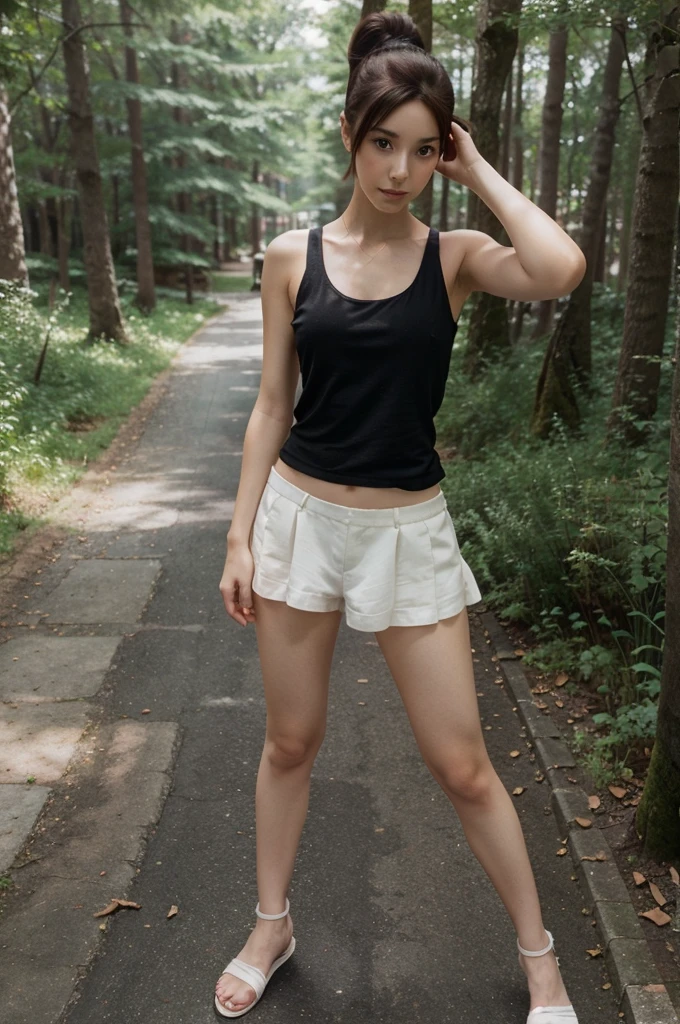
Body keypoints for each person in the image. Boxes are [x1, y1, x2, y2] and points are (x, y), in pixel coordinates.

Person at [215, 10, 586, 1023]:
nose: (400, 167)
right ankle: (270, 921)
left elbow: (558, 269)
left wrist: (477, 173)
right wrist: (242, 533)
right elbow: (269, 406)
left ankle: (540, 959)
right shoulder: (291, 258)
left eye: (424, 149)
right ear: (348, 132)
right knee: (290, 743)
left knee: (462, 764)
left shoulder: (455, 255)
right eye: (384, 141)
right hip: (299, 521)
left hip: (407, 533)